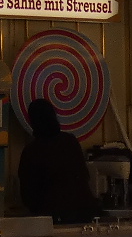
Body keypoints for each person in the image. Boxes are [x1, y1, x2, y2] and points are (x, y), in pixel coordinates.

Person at [16, 96, 98, 224]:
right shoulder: (70, 141)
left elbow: (28, 195)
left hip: (52, 217)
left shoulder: (32, 151)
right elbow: (83, 175)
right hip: (84, 212)